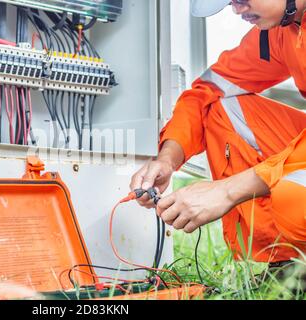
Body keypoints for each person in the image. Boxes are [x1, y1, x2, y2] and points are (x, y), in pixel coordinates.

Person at [130, 0, 306, 263]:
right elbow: (205, 93)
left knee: (292, 198)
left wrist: (227, 191)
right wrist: (168, 157)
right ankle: (286, 267)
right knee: (219, 108)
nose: (237, 9)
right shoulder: (283, 32)